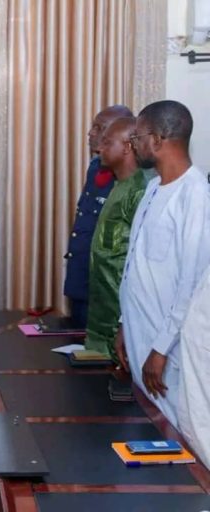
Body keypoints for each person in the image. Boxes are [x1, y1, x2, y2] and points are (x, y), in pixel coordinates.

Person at [117, 100, 210, 427]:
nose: (134, 144)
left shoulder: (195, 195)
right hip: (139, 332)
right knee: (148, 431)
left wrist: (160, 349)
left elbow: (192, 284)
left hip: (169, 349)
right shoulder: (154, 188)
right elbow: (136, 265)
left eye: (137, 137)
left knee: (178, 433)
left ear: (157, 140)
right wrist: (124, 324)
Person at [85, 118, 153, 360]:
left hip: (121, 325)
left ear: (127, 146)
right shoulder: (119, 186)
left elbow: (143, 262)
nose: (99, 148)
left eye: (107, 143)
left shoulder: (139, 191)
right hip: (101, 322)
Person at [63, 105, 133, 328]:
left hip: (108, 287)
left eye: (99, 128)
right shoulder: (95, 167)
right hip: (82, 278)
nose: (90, 133)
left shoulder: (135, 181)